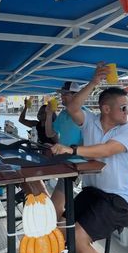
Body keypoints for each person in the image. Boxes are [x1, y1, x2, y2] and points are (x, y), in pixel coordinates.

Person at [51, 64, 128, 253]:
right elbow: (72, 108)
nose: (127, 111)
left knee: (77, 237)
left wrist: (73, 150)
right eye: (123, 107)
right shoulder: (89, 121)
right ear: (106, 109)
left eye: (127, 106)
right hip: (92, 194)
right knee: (58, 228)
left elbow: (107, 150)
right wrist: (92, 82)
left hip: (118, 202)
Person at [45, 81, 84, 220]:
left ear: (76, 95)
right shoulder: (62, 114)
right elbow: (50, 133)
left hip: (76, 164)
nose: (61, 97)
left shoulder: (84, 115)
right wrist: (49, 114)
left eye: (65, 95)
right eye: (61, 94)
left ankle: (59, 237)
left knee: (55, 206)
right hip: (63, 163)